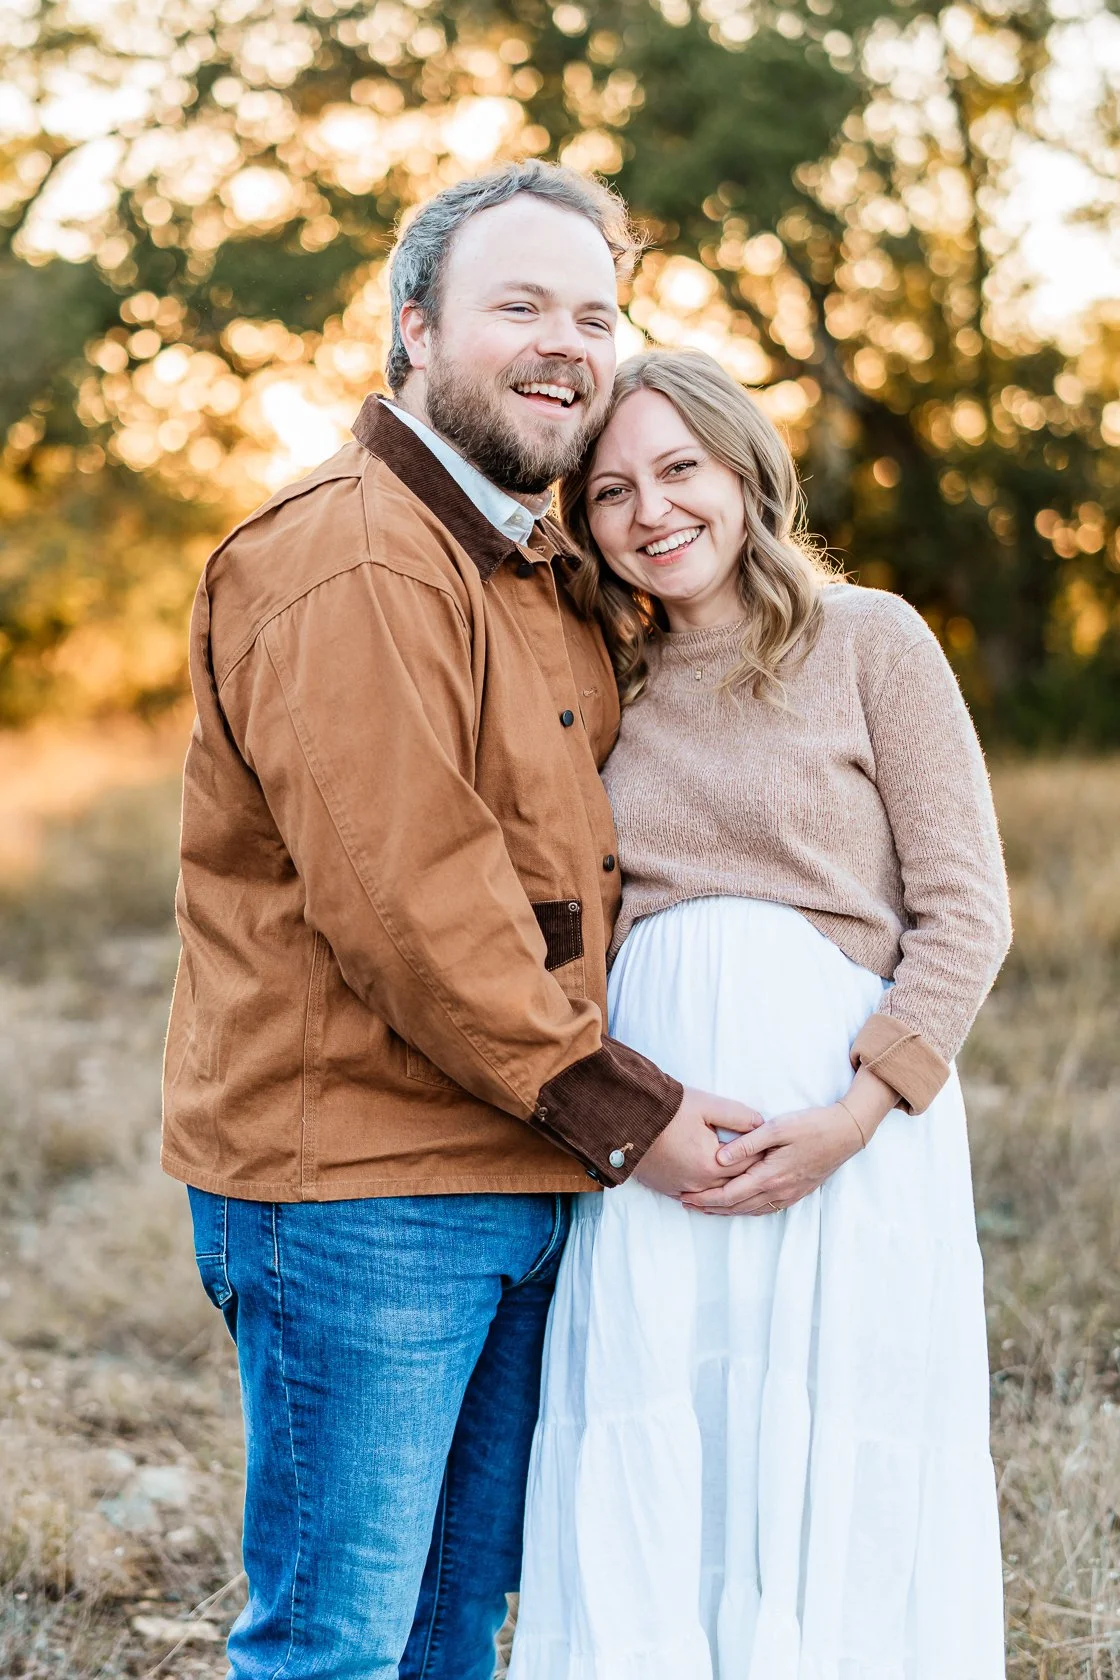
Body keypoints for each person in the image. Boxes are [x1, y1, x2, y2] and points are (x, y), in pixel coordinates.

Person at [162, 166, 760, 1680]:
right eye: (520, 306)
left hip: (516, 1167)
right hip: (361, 1194)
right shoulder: (352, 555)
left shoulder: (539, 573)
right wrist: (630, 1114)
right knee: (338, 1647)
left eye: (594, 313)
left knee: (455, 1629)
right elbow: (416, 904)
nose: (567, 343)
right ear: (415, 329)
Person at [511, 348, 1012, 1679]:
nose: (651, 511)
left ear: (744, 474)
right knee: (660, 1452)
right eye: (611, 490)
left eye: (681, 469)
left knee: (826, 1457)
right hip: (655, 1144)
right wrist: (629, 1110)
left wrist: (854, 1116)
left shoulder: (870, 641)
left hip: (842, 1136)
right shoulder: (599, 681)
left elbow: (969, 914)